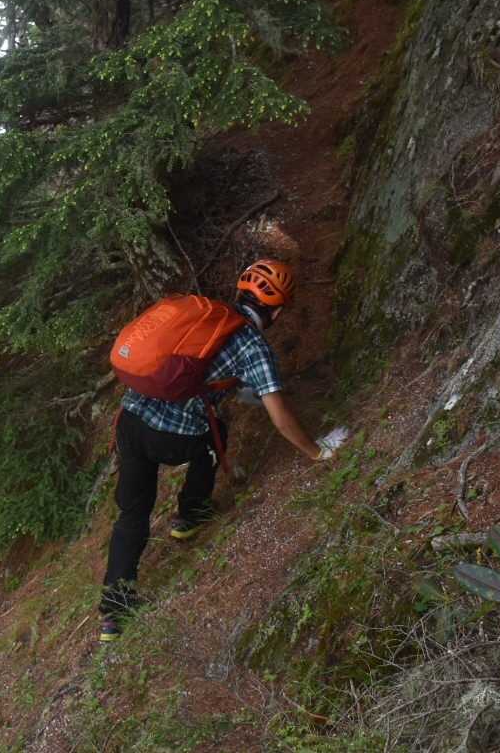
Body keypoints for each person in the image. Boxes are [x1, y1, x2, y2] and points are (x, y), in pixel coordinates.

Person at [98, 258, 348, 643]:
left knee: (132, 514)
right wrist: (317, 452)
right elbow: (279, 416)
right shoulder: (252, 344)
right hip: (170, 437)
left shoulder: (206, 317)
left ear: (240, 292)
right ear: (277, 311)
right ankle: (191, 515)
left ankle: (113, 614)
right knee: (214, 437)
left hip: (129, 423)